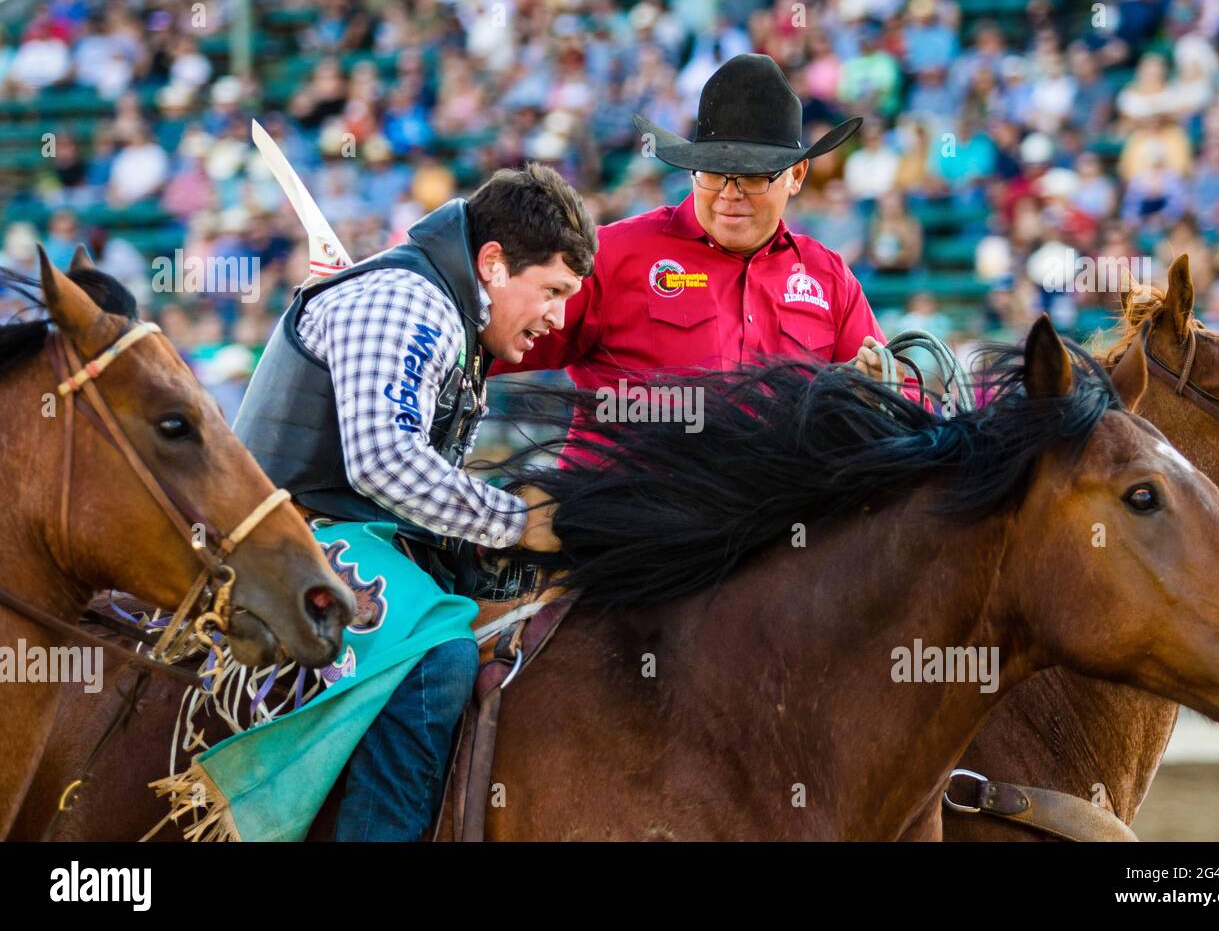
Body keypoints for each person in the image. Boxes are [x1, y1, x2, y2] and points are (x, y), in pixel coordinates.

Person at [233, 162, 598, 840]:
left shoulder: (446, 311)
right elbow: (384, 460)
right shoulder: (409, 301)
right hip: (284, 535)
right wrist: (517, 522)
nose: (558, 317)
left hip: (342, 530)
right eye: (551, 289)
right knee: (438, 659)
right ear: (492, 263)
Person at [493, 53, 913, 413]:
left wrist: (877, 393)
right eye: (713, 174)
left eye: (752, 178)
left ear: (797, 175)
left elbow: (902, 400)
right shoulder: (612, 254)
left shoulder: (829, 277)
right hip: (629, 502)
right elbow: (492, 339)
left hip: (777, 503)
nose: (730, 195)